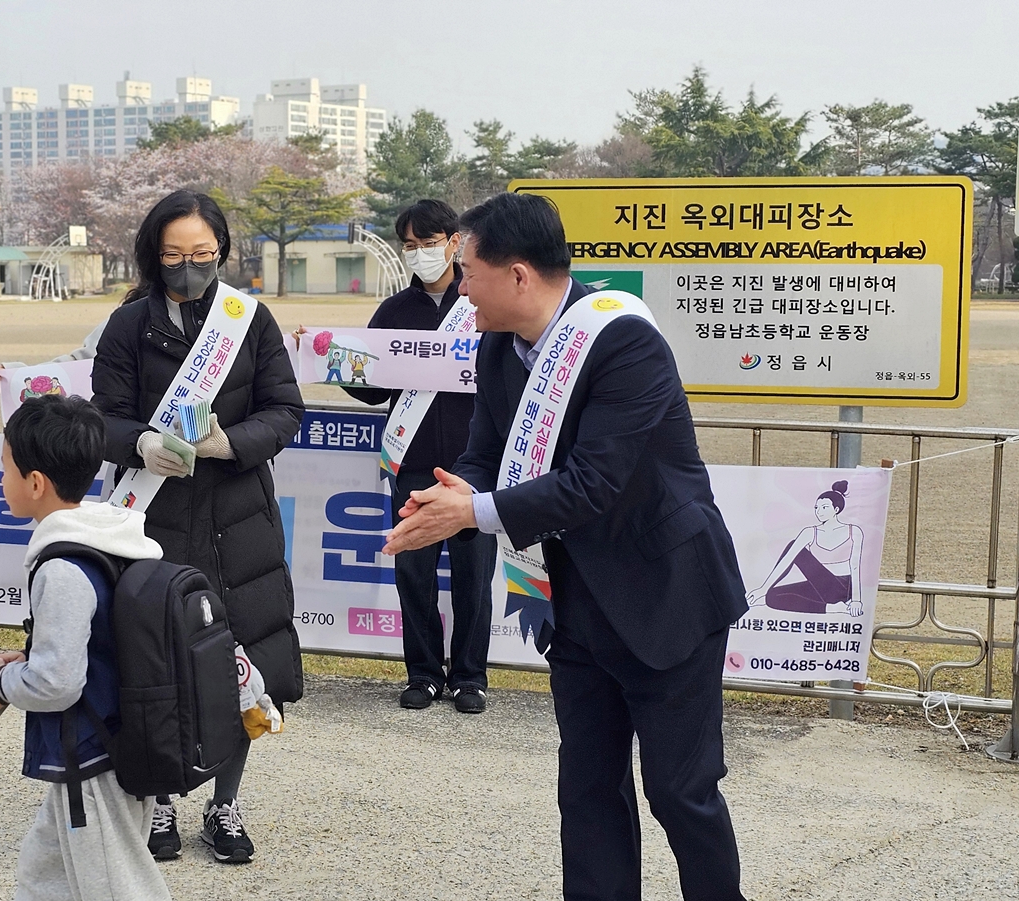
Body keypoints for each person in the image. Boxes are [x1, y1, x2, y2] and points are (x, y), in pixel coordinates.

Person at [384, 192, 748, 900]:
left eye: (468, 271)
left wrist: (474, 511)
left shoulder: (625, 342)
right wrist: (452, 498)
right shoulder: (496, 346)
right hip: (576, 603)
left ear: (518, 275)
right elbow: (484, 452)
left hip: (665, 595)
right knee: (586, 789)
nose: (459, 287)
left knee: (680, 791)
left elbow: (592, 482)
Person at [92, 189, 304, 864]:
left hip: (238, 522)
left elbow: (285, 409)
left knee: (243, 662)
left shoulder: (249, 318)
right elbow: (105, 417)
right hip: (151, 520)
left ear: (222, 250)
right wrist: (141, 445)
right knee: (156, 663)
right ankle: (160, 804)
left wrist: (227, 444)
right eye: (174, 255)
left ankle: (225, 802)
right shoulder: (128, 325)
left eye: (202, 254)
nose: (188, 267)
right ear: (154, 255)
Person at [0, 394, 172, 901]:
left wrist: (4, 684)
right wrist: (28, 660)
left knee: (117, 887)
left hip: (94, 757)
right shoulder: (109, 540)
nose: (0, 479)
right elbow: (95, 647)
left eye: (4, 468)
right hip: (114, 748)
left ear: (35, 483)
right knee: (45, 875)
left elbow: (57, 683)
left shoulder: (61, 568)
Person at [337, 199, 497, 713]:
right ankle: (424, 672)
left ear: (454, 242)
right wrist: (333, 359)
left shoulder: (481, 303)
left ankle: (471, 677)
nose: (419, 254)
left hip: (474, 467)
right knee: (414, 573)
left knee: (474, 575)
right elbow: (373, 390)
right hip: (411, 464)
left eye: (429, 243)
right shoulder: (394, 311)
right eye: (410, 245)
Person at [746, 480, 865, 616]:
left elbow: (855, 566)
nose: (819, 511)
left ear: (836, 509)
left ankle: (837, 605)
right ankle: (832, 608)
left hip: (843, 587)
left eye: (824, 507)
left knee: (793, 545)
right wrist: (763, 589)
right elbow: (787, 560)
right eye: (816, 508)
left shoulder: (853, 531)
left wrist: (857, 600)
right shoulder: (810, 532)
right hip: (821, 588)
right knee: (771, 597)